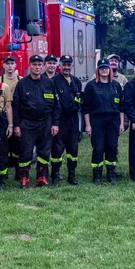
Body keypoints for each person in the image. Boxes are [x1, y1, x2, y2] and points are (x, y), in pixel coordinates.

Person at [12, 54, 60, 188]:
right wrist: (16, 125)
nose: (37, 67)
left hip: (46, 122)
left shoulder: (49, 83)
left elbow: (56, 105)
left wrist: (55, 123)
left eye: (39, 65)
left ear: (42, 66)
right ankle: (24, 178)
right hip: (27, 123)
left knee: (44, 152)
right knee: (26, 152)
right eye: (34, 64)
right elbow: (15, 106)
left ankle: (42, 177)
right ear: (30, 66)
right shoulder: (22, 84)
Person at [83, 58, 125, 185]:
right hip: (97, 120)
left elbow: (121, 107)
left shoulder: (116, 85)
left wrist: (122, 123)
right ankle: (97, 175)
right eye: (102, 68)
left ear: (110, 69)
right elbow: (86, 107)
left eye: (106, 68)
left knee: (112, 147)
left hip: (113, 120)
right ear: (98, 70)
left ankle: (111, 174)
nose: (104, 70)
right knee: (98, 148)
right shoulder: (91, 86)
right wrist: (88, 125)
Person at [51, 56, 83, 186]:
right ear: (60, 65)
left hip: (73, 119)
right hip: (60, 119)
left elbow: (79, 98)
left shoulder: (76, 81)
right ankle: (55, 176)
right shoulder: (53, 81)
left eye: (69, 65)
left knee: (73, 149)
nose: (66, 67)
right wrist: (54, 122)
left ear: (72, 66)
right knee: (57, 149)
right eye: (64, 64)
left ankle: (72, 175)